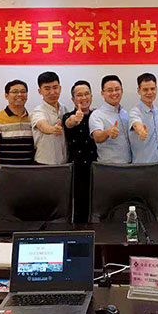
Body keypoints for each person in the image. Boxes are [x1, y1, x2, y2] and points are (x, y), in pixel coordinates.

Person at [0, 80, 35, 184]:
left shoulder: (33, 118)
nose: (19, 94)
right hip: (5, 174)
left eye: (23, 91)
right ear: (6, 96)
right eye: (15, 92)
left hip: (29, 173)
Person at [63, 80, 98, 223]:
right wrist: (75, 119)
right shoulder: (68, 116)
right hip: (77, 170)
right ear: (73, 99)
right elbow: (69, 123)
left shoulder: (97, 115)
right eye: (79, 95)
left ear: (91, 96)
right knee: (80, 208)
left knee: (98, 207)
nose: (84, 98)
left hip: (97, 168)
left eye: (86, 94)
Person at [90, 75, 131, 163]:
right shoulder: (97, 114)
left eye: (117, 89)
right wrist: (107, 132)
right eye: (110, 90)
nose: (114, 93)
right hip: (109, 166)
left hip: (128, 164)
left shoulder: (125, 113)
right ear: (102, 93)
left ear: (122, 91)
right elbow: (97, 137)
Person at [32, 71, 67, 165]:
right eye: (47, 89)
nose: (52, 92)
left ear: (60, 88)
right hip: (44, 163)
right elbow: (43, 126)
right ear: (40, 91)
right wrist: (53, 129)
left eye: (55, 87)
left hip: (64, 163)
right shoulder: (38, 111)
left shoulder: (64, 109)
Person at [128, 73, 158, 163]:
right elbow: (136, 123)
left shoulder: (156, 111)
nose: (150, 92)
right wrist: (141, 131)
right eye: (145, 90)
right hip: (142, 165)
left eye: (152, 89)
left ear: (156, 89)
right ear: (139, 91)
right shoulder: (135, 112)